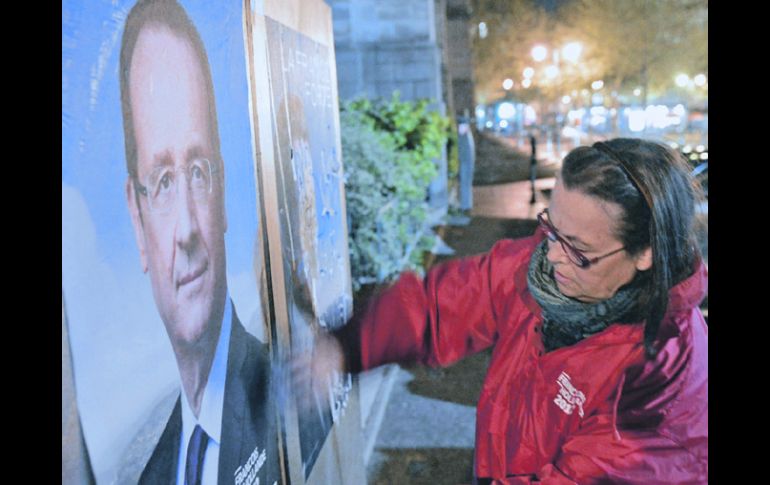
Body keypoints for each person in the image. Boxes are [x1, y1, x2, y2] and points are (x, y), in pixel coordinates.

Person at [315, 137, 708, 483]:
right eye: (551, 228)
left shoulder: (663, 375)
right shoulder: (534, 267)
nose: (553, 256)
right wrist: (348, 347)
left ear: (646, 253)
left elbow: (595, 475)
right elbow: (444, 304)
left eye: (577, 247)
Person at [119, 1, 281, 484]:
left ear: (224, 192)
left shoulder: (286, 396)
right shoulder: (153, 476)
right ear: (137, 217)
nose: (187, 229)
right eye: (164, 181)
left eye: (197, 170)